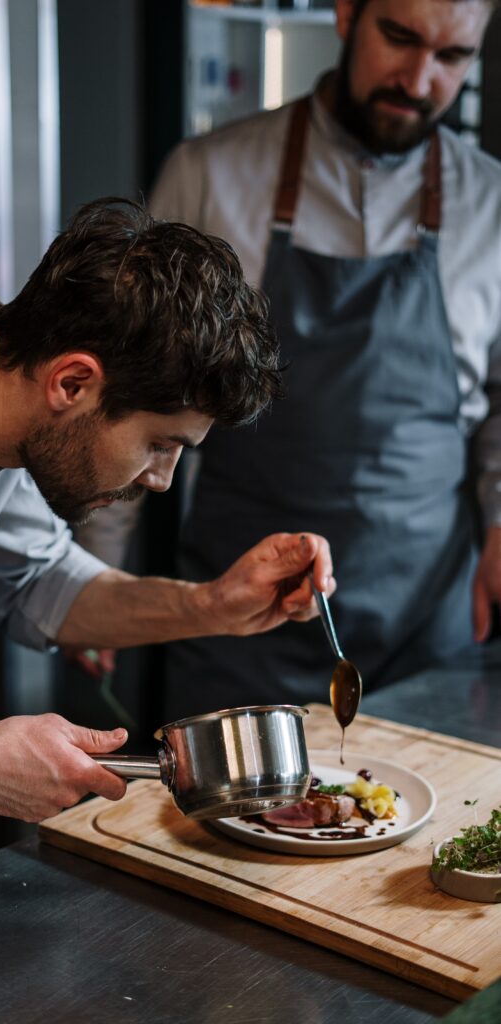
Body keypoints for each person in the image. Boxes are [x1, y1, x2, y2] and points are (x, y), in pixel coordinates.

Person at [0, 197, 335, 825]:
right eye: (160, 444)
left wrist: (214, 606)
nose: (162, 479)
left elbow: (40, 583)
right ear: (72, 383)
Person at [79, 0, 501, 721]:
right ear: (345, 14)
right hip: (236, 611)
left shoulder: (491, 202)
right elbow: (134, 387)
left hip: (423, 615)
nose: (417, 77)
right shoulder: (209, 175)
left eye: (451, 57)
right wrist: (96, 579)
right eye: (397, 37)